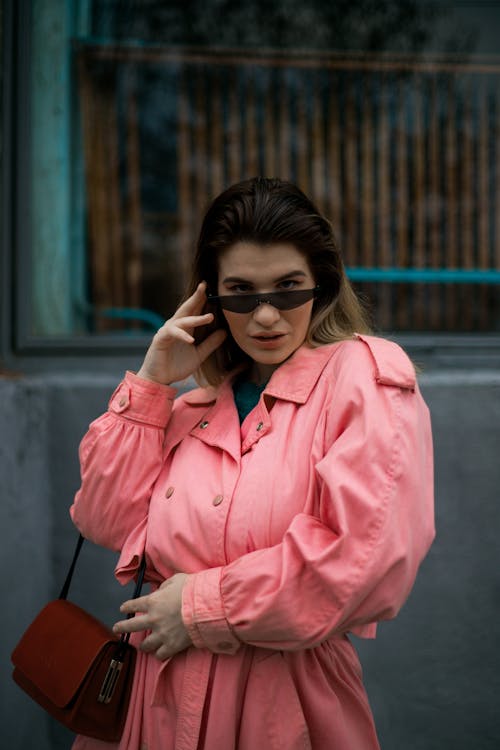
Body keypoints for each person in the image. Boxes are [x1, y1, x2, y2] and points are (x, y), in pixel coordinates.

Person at [71, 177, 435, 750]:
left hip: (282, 708)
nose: (265, 316)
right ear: (211, 301)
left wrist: (199, 607)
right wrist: (150, 383)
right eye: (241, 293)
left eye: (288, 288)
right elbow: (101, 518)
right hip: (153, 709)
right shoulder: (189, 409)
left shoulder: (362, 379)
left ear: (323, 285)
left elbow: (363, 562)